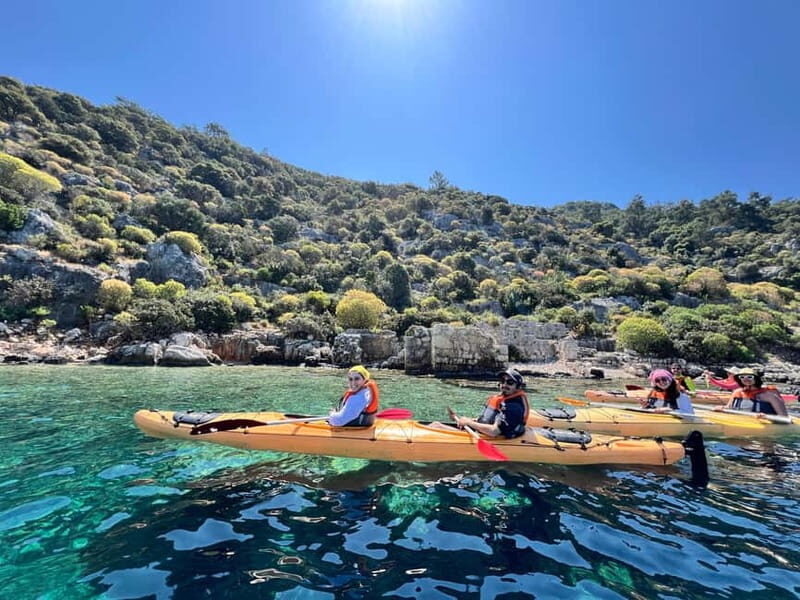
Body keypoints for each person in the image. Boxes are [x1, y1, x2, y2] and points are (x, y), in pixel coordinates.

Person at [449, 368, 530, 438]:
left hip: (494, 437)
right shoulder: (503, 400)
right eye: (502, 381)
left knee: (437, 426)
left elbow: (494, 431)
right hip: (483, 433)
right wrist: (470, 420)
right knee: (436, 425)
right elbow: (489, 420)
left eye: (510, 382)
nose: (504, 384)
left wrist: (469, 423)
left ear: (518, 387)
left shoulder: (513, 407)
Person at [715, 368, 788, 417]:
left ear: (756, 379)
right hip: (743, 422)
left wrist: (767, 417)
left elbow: (784, 416)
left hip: (766, 424)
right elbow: (729, 408)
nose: (746, 379)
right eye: (742, 377)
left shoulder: (769, 395)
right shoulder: (737, 392)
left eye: (750, 377)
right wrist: (722, 409)